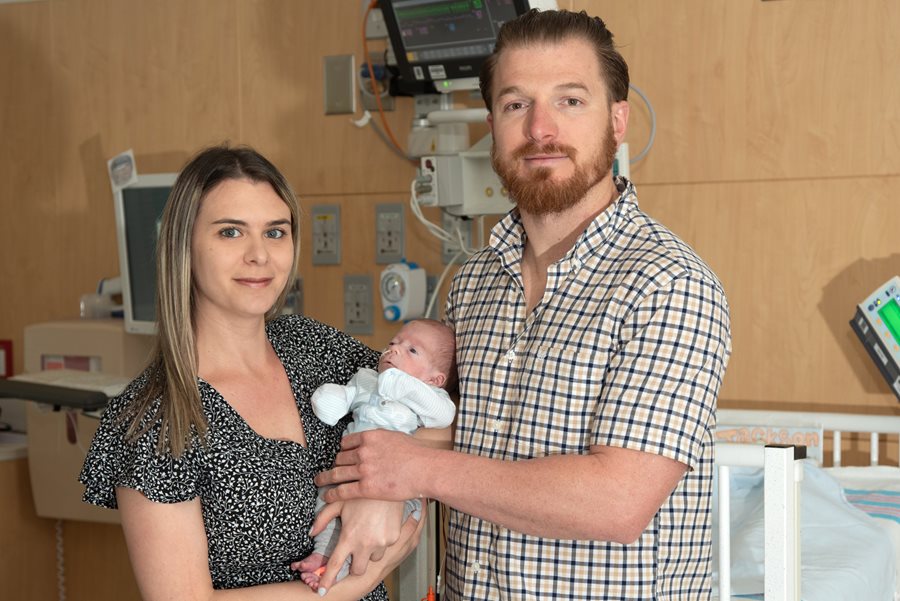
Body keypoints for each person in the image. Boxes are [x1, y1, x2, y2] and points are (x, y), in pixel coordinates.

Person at [316, 9, 732, 601]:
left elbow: (617, 504)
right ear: (492, 124)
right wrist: (372, 493)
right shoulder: (474, 283)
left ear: (617, 121)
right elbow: (437, 424)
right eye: (516, 105)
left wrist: (413, 471)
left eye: (570, 101)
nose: (540, 129)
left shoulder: (668, 285)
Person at [79, 144, 423, 601]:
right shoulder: (158, 420)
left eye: (276, 232)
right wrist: (349, 588)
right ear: (183, 245)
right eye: (230, 233)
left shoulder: (312, 348)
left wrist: (382, 495)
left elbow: (435, 415)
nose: (259, 255)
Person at [295, 318, 457, 590]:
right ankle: (322, 555)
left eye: (412, 350)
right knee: (327, 500)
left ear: (434, 379)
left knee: (395, 520)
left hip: (396, 487)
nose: (393, 350)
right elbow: (349, 396)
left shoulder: (428, 396)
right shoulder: (368, 379)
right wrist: (333, 398)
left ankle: (341, 569)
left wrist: (405, 386)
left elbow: (445, 416)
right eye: (393, 343)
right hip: (352, 471)